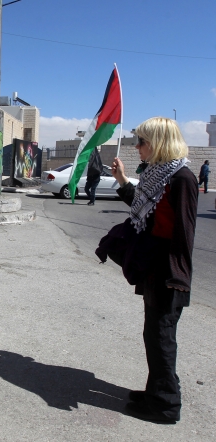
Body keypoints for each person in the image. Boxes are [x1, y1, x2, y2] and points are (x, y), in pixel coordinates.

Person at [110, 117, 197, 424]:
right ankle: (155, 391)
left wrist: (178, 278)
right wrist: (122, 181)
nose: (138, 147)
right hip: (154, 268)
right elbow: (141, 209)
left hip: (168, 272)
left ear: (158, 143)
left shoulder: (181, 178)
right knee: (153, 334)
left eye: (142, 142)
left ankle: (165, 406)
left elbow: (184, 233)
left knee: (161, 337)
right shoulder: (157, 177)